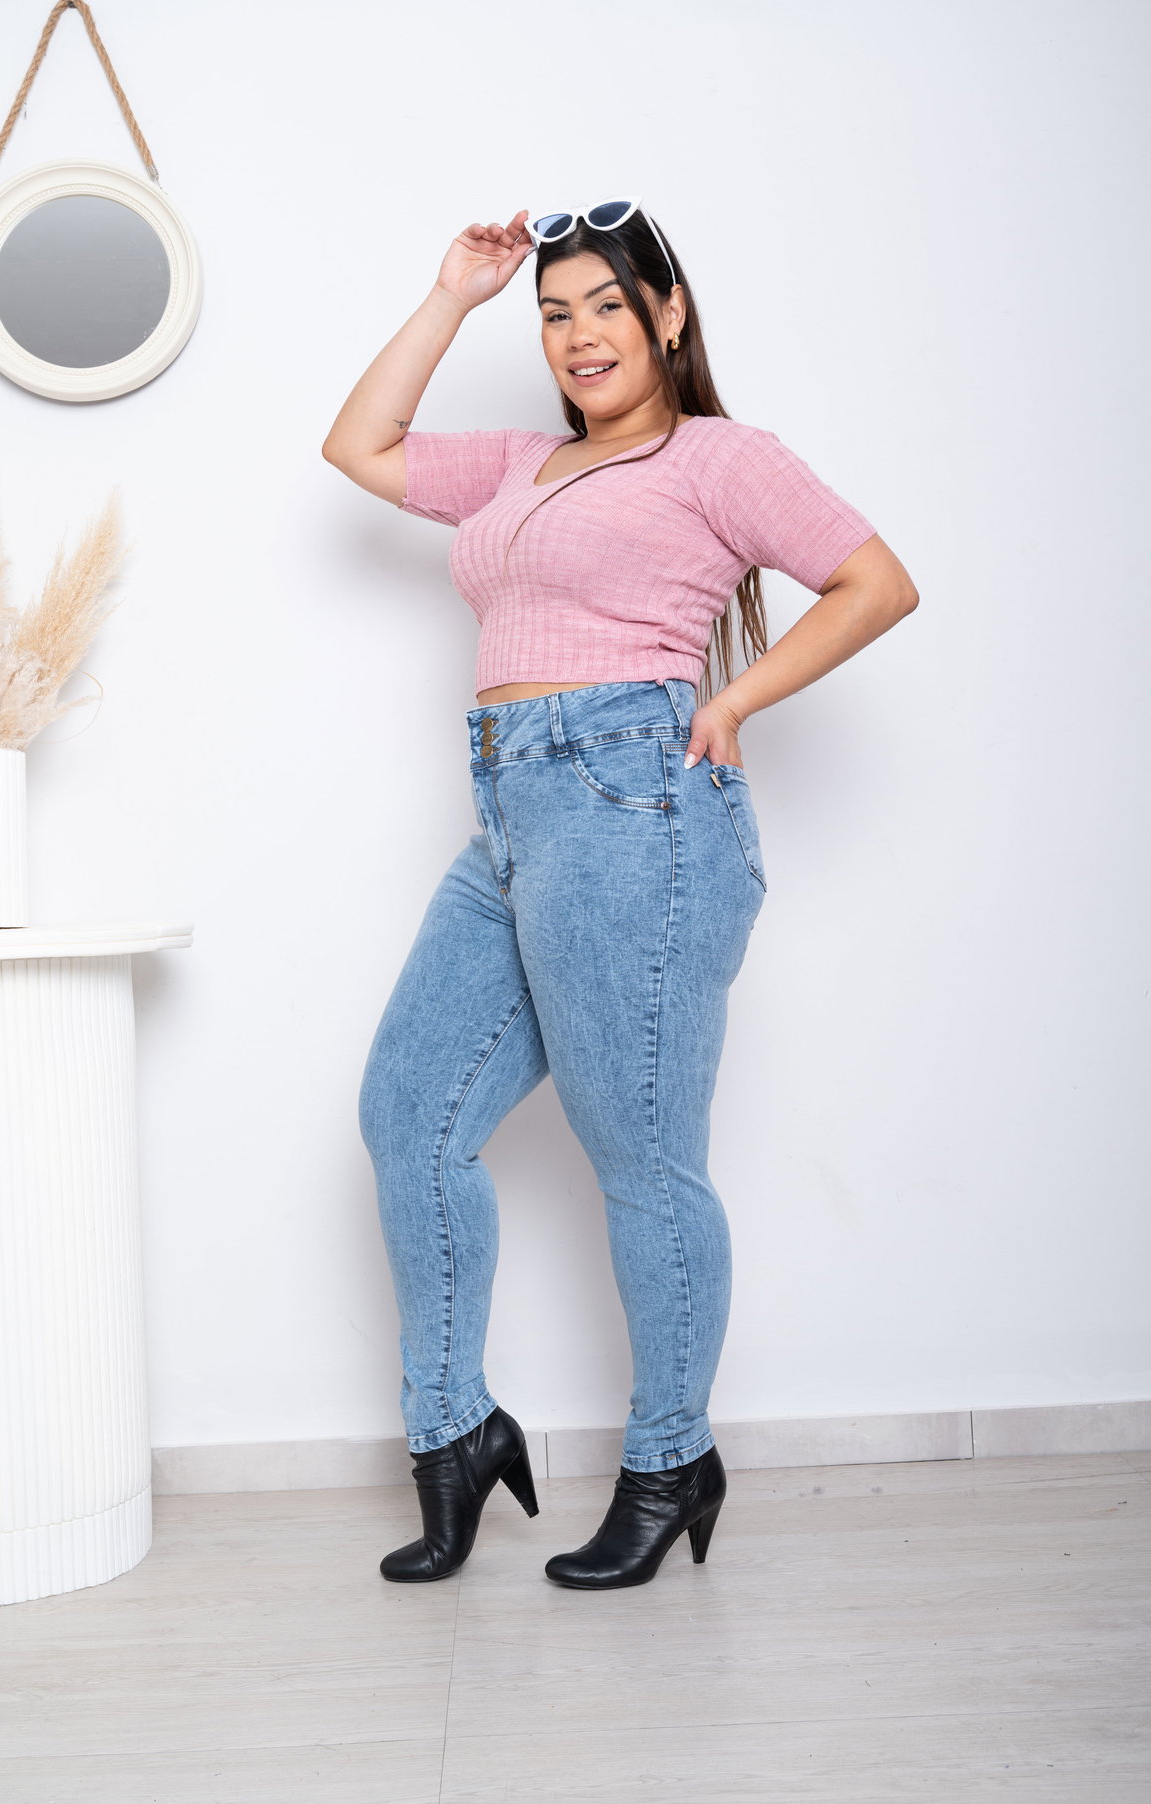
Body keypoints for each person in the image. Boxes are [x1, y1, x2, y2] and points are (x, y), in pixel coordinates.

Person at [321, 199, 918, 1591]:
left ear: (668, 314)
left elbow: (875, 582)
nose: (579, 335)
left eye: (605, 305)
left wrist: (734, 700)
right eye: (555, 313)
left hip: (634, 808)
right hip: (510, 815)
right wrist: (454, 296)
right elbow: (360, 446)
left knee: (641, 1161)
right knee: (409, 1116)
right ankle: (454, 1434)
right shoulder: (521, 464)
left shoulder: (721, 457)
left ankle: (669, 1458)